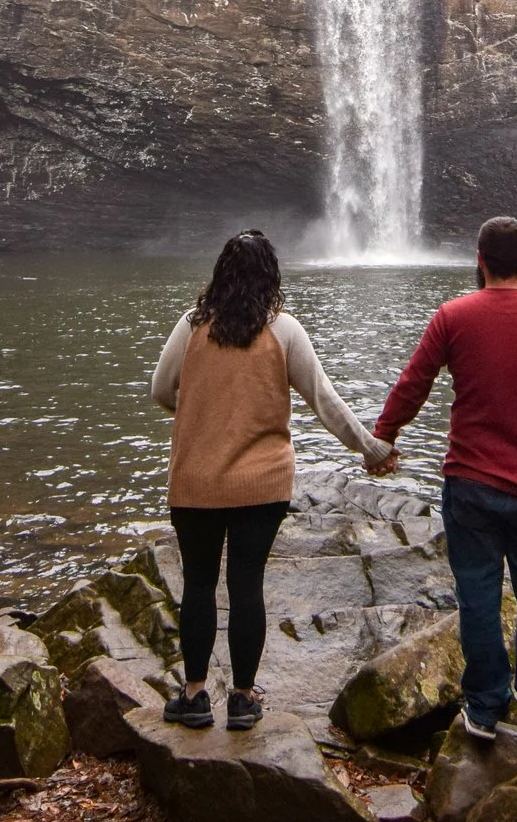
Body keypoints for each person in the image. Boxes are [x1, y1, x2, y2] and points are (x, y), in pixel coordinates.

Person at [152, 229, 395, 730]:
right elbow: (324, 400)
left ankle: (194, 696)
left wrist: (201, 412)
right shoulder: (284, 330)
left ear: (220, 274)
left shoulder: (191, 325)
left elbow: (160, 389)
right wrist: (370, 449)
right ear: (270, 277)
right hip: (262, 487)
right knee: (247, 586)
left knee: (198, 585)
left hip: (196, 482)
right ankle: (243, 700)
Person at [370, 215, 517, 746]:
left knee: (477, 598)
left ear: (479, 260)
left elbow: (414, 382)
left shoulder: (453, 315)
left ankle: (486, 709)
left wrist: (383, 437)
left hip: (470, 483)